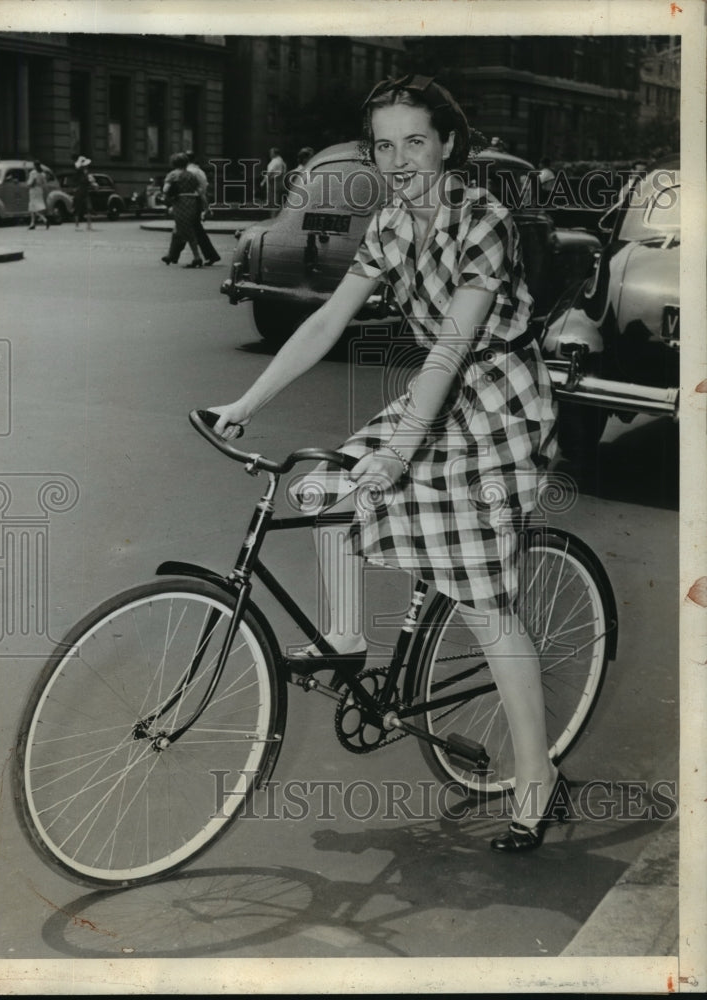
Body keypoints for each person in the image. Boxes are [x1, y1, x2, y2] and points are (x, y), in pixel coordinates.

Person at [209, 74, 563, 854]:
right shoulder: (390, 225)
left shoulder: (485, 220)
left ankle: (536, 779)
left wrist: (399, 451)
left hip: (498, 403)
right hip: (440, 398)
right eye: (383, 145)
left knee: (480, 597)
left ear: (447, 144)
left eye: (414, 141)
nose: (398, 159)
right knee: (322, 486)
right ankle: (345, 638)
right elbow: (327, 320)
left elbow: (454, 347)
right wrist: (247, 401)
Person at [160, 152, 203, 267]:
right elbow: (200, 190)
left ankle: (197, 257)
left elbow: (166, 189)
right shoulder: (191, 175)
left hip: (179, 202)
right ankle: (170, 255)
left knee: (187, 230)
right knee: (178, 228)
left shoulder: (173, 174)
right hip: (192, 202)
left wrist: (168, 200)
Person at [185, 150, 221, 266]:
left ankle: (209, 255)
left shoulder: (189, 172)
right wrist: (206, 207)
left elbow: (198, 191)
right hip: (198, 201)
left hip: (192, 202)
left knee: (194, 230)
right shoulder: (200, 171)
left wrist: (206, 207)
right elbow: (203, 190)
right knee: (195, 230)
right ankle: (210, 255)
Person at [260, 146, 286, 214]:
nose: (270, 154)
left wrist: (263, 181)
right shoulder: (281, 161)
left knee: (273, 203)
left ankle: (273, 218)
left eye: (271, 153)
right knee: (278, 202)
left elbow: (270, 172)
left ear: (275, 153)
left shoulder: (275, 161)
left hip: (273, 183)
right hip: (279, 182)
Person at [73, 155, 96, 231]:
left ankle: (89, 225)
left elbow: (88, 182)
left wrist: (92, 183)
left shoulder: (86, 173)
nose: (87, 166)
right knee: (78, 208)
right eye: (85, 165)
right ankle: (77, 225)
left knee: (88, 208)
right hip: (79, 191)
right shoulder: (79, 173)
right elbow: (77, 181)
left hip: (85, 192)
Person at [27, 160, 50, 230]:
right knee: (35, 206)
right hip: (40, 190)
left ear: (34, 165)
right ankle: (32, 223)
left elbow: (30, 183)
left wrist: (28, 184)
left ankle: (44, 219)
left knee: (33, 207)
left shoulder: (33, 173)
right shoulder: (42, 174)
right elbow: (45, 184)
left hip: (33, 190)